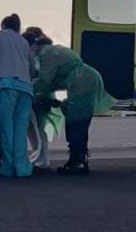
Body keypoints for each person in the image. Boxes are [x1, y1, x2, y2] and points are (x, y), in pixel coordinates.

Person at [25, 27, 107, 175]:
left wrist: (30, 90)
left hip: (81, 82)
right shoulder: (52, 50)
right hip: (84, 80)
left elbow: (45, 80)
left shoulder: (46, 54)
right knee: (77, 119)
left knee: (76, 121)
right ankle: (77, 159)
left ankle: (78, 162)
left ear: (32, 45)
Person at [0, 13, 35, 178]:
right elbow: (32, 66)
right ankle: (22, 167)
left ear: (4, 26)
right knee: (20, 130)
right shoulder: (23, 41)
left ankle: (7, 167)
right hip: (26, 88)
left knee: (7, 129)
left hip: (5, 84)